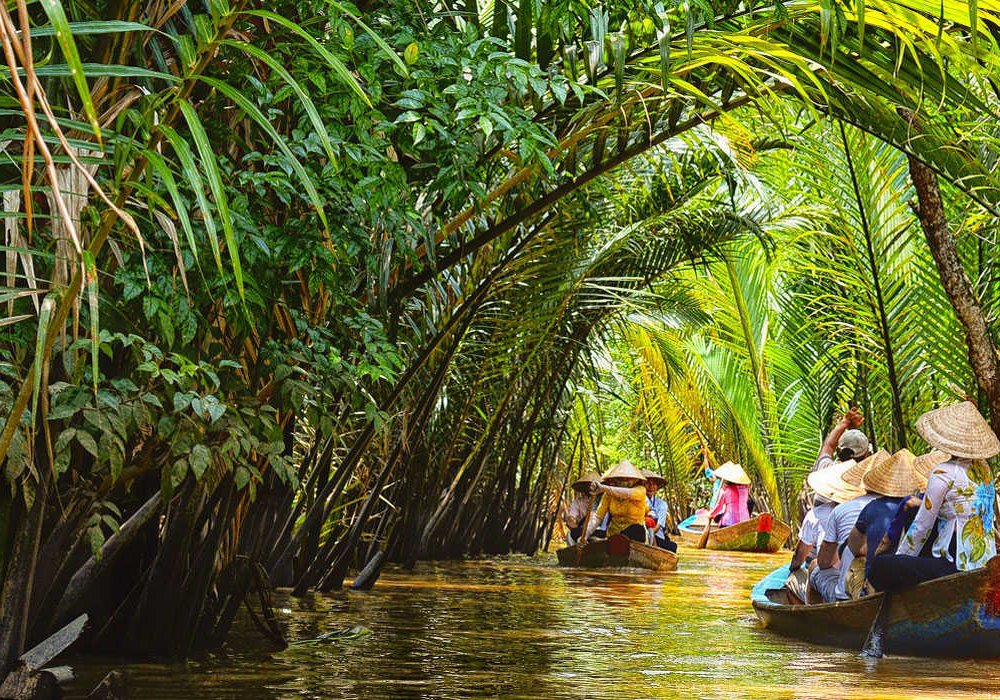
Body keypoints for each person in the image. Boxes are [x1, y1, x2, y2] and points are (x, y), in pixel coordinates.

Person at [869, 402, 1000, 592]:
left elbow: (922, 526)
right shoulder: (984, 470)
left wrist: (901, 558)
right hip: (984, 561)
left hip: (956, 565)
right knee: (915, 512)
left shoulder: (943, 472)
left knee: (879, 567)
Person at [810, 450, 888, 602]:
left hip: (846, 595)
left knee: (815, 568)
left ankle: (810, 615)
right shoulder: (904, 507)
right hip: (885, 589)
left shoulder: (841, 509)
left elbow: (824, 562)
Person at [784, 459, 864, 602]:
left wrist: (792, 569)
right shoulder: (872, 507)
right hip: (865, 584)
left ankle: (810, 612)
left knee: (809, 569)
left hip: (843, 588)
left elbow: (803, 556)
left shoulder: (821, 513)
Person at [845, 448, 922, 595]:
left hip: (880, 583)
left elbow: (853, 546)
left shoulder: (872, 507)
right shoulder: (924, 507)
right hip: (914, 580)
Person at [584, 460, 649, 543]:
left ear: (635, 480)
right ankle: (608, 541)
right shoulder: (608, 494)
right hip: (613, 534)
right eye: (620, 478)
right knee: (576, 532)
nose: (624, 481)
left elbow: (627, 493)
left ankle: (608, 541)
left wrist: (603, 488)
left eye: (628, 478)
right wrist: (586, 535)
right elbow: (598, 517)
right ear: (615, 479)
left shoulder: (641, 490)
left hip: (634, 536)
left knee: (637, 529)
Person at [813, 406, 871, 475]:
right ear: (866, 455)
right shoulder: (871, 481)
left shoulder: (824, 469)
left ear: (838, 451)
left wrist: (845, 421)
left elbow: (828, 445)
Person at [706, 462, 751, 527]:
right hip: (745, 521)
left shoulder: (725, 490)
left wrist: (710, 515)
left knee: (721, 521)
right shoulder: (745, 490)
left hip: (729, 522)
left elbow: (719, 507)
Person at [643, 470, 678, 552]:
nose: (651, 486)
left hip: (656, 535)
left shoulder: (662, 504)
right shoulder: (636, 500)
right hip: (641, 533)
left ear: (657, 487)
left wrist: (648, 534)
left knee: (673, 547)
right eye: (648, 483)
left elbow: (658, 526)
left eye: (654, 484)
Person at [564, 470, 600, 545]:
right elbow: (571, 519)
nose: (591, 487)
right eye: (589, 485)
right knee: (571, 534)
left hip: (599, 531)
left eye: (594, 485)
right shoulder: (577, 502)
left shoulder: (604, 500)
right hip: (582, 530)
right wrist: (574, 524)